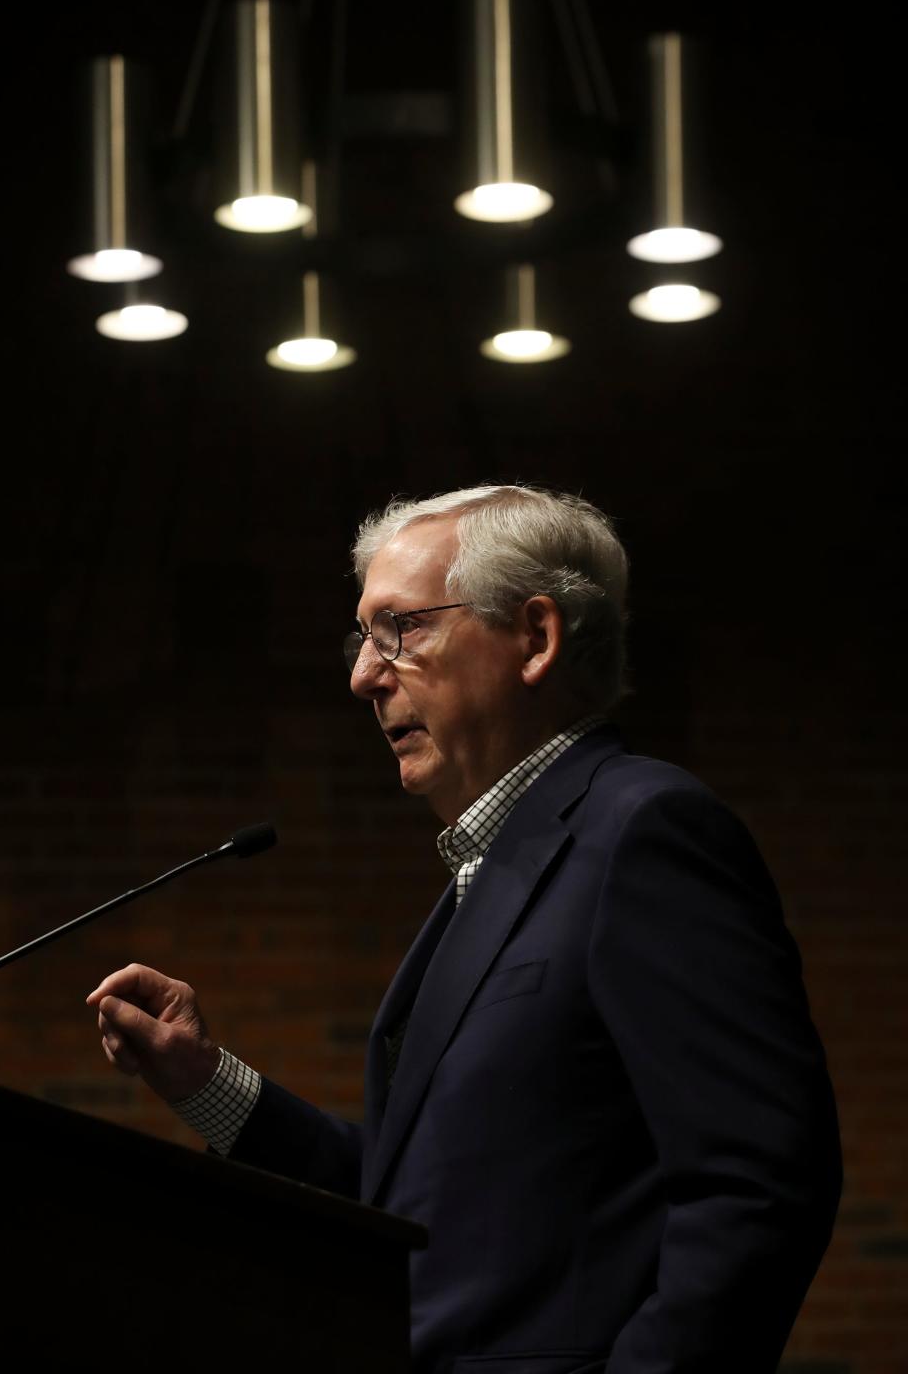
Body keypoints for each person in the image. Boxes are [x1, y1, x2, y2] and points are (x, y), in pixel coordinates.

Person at [88, 484, 842, 1374]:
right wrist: (207, 1083)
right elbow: (410, 1204)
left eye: (400, 629)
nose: (363, 676)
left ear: (536, 638)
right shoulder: (496, 870)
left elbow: (757, 1185)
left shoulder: (644, 833)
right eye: (362, 639)